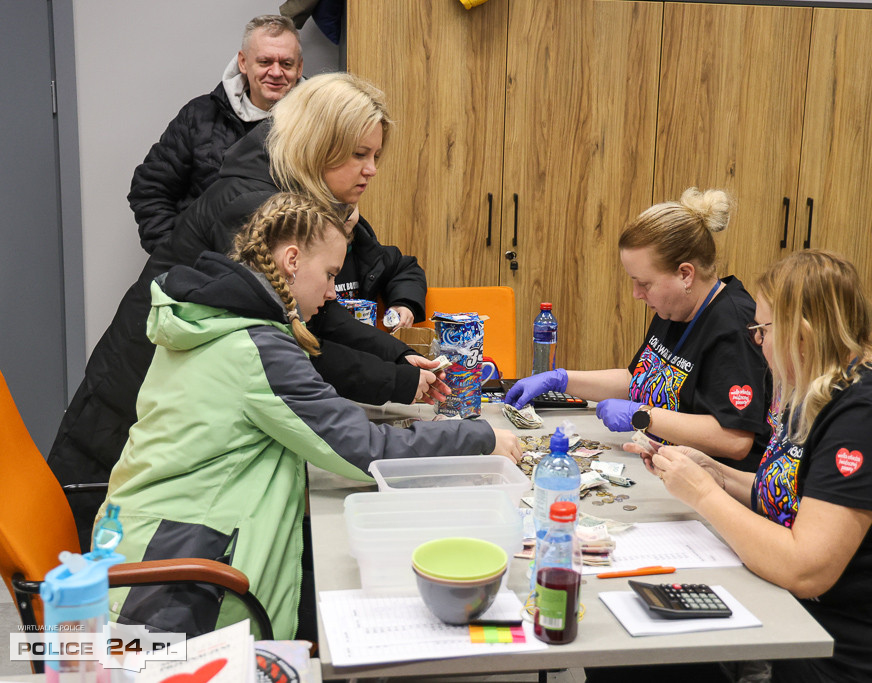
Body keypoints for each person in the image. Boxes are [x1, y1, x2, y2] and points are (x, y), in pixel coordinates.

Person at [98, 192, 522, 640]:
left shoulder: (214, 318)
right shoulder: (255, 346)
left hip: (152, 538)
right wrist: (478, 438)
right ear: (293, 259)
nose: (330, 292)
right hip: (181, 579)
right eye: (330, 276)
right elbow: (366, 449)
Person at [49, 73, 435, 551]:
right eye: (358, 154)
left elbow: (316, 311)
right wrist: (397, 380)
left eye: (375, 155)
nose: (371, 169)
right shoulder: (258, 207)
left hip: (158, 392)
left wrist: (397, 360)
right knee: (90, 567)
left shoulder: (279, 188)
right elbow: (291, 340)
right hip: (133, 397)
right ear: (317, 144)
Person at [635, 250, 872, 682]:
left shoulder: (868, 414)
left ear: (801, 334)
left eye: (762, 330)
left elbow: (807, 568)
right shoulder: (817, 385)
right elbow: (790, 498)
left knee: (653, 666)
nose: (756, 342)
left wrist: (703, 495)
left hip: (858, 645)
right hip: (805, 616)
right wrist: (717, 475)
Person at [506, 188, 771, 470]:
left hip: (716, 486)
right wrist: (560, 379)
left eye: (644, 283)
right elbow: (638, 379)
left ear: (685, 274)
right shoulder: (676, 305)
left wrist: (643, 416)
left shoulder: (734, 325)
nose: (636, 294)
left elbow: (735, 439)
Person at [128, 15, 303, 254]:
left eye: (286, 64)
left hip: (290, 276)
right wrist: (177, 256)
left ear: (299, 67)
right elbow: (150, 188)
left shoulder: (320, 125)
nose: (275, 72)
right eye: (264, 62)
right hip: (203, 278)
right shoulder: (200, 117)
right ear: (243, 62)